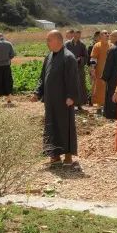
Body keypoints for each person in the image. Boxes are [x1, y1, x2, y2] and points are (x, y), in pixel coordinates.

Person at [35, 30, 79, 165]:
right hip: (50, 99)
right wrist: (38, 92)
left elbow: (73, 79)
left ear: (58, 40)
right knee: (51, 126)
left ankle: (68, 155)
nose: (47, 43)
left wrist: (71, 96)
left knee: (65, 125)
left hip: (63, 100)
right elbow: (43, 77)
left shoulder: (68, 57)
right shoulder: (48, 57)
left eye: (49, 40)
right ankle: (54, 155)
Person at [101, 30, 117, 120]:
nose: (109, 37)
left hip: (113, 77)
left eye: (111, 36)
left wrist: (105, 77)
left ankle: (112, 115)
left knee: (112, 95)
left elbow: (108, 65)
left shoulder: (113, 49)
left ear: (116, 37)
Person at [65, 29, 89, 109]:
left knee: (80, 86)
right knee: (70, 85)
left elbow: (86, 57)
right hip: (69, 69)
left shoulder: (82, 45)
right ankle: (69, 104)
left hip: (79, 69)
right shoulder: (67, 44)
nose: (77, 37)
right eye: (76, 35)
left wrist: (80, 59)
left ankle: (79, 104)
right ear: (73, 35)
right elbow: (63, 55)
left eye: (79, 35)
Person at [89, 30, 110, 108]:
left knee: (108, 88)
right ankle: (98, 106)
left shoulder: (111, 45)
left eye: (108, 33)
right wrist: (93, 70)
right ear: (100, 36)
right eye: (105, 33)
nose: (107, 34)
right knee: (99, 88)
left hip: (109, 72)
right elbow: (93, 59)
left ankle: (106, 105)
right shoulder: (97, 45)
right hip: (99, 71)